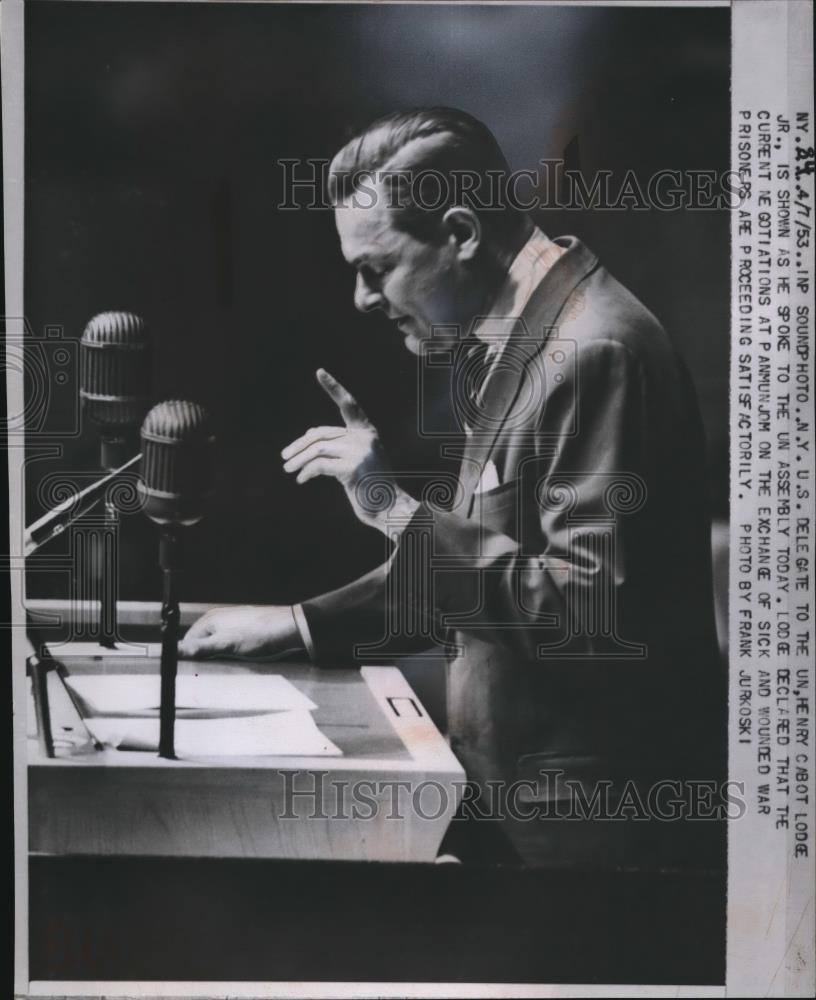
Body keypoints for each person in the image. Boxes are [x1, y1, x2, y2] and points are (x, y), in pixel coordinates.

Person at [180, 108, 726, 868]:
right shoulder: (532, 331)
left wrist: (397, 511)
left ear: (462, 234)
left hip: (586, 843)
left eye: (376, 269)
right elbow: (495, 564)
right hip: (526, 813)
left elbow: (583, 613)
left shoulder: (592, 348)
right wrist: (302, 623)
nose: (363, 300)